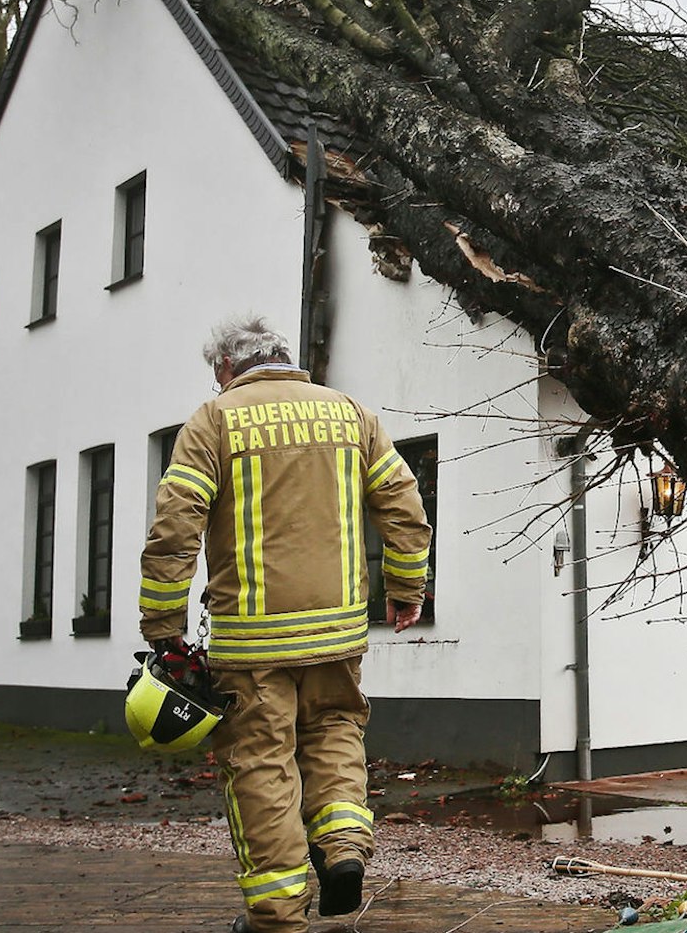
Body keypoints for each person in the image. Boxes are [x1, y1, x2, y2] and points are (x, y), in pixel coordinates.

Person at [141, 316, 432, 933]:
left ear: (226, 368)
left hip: (253, 643)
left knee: (261, 762)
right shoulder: (351, 414)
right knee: (335, 733)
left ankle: (276, 915)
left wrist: (163, 621)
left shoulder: (215, 420)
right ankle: (344, 849)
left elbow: (175, 525)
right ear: (281, 358)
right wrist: (406, 590)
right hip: (339, 634)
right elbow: (405, 507)